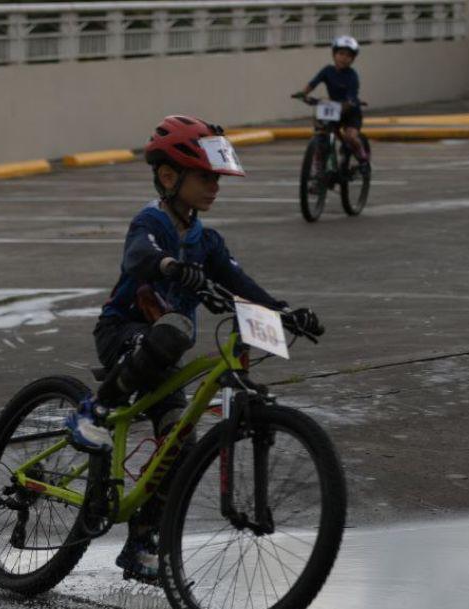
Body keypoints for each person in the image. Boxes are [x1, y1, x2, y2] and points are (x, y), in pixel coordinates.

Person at [65, 114, 322, 580]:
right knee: (178, 328)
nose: (215, 187)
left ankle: (142, 541)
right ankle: (92, 410)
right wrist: (167, 265)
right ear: (169, 176)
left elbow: (241, 283)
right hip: (124, 334)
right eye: (206, 177)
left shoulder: (207, 241)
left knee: (179, 446)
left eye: (217, 178)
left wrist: (284, 312)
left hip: (162, 357)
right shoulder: (152, 220)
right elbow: (137, 256)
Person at [295, 34, 370, 172]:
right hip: (334, 110)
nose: (344, 58)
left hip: (350, 112)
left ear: (353, 59)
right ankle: (319, 169)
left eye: (348, 56)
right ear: (334, 54)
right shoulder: (327, 71)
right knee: (321, 133)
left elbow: (351, 97)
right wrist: (303, 94)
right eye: (341, 53)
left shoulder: (352, 76)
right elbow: (313, 83)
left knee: (350, 137)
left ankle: (363, 158)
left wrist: (347, 104)